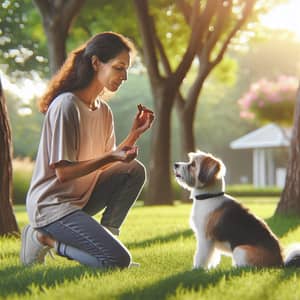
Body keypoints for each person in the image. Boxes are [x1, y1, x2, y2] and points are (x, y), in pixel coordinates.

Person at [20, 32, 154, 269]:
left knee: (133, 170)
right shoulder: (66, 105)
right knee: (117, 261)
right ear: (95, 63)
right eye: (118, 68)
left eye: (126, 70)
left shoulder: (103, 111)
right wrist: (113, 155)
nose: (123, 77)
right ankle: (42, 238)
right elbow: (64, 173)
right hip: (52, 206)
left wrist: (135, 134)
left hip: (81, 199)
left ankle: (108, 241)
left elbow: (107, 163)